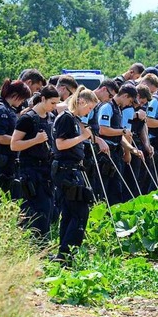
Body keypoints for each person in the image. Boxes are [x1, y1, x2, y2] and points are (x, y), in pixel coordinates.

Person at [51, 86, 99, 262]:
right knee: (80, 212)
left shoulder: (74, 119)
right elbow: (61, 144)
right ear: (81, 102)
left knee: (71, 213)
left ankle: (64, 254)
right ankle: (67, 253)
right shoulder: (66, 119)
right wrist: (82, 137)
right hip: (66, 171)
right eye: (89, 108)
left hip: (71, 170)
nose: (89, 112)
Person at [10, 85, 59, 241]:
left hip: (47, 170)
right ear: (43, 99)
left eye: (56, 103)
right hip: (30, 170)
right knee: (36, 209)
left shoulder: (50, 117)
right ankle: (34, 245)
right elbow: (14, 144)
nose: (54, 107)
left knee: (49, 210)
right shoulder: (27, 119)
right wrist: (35, 140)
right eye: (52, 103)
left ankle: (42, 244)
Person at [0, 79, 31, 209]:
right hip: (2, 160)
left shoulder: (8, 109)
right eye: (22, 99)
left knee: (10, 195)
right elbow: (0, 138)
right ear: (16, 95)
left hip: (9, 160)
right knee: (0, 195)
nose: (22, 102)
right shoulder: (1, 111)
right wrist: (19, 142)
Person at [95, 84, 142, 205]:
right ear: (125, 96)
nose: (129, 104)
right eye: (130, 101)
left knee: (116, 190)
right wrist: (123, 131)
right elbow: (103, 129)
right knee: (104, 190)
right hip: (105, 155)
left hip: (115, 153)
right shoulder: (107, 107)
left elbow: (119, 136)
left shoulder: (118, 110)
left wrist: (132, 150)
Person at [122, 84, 152, 201]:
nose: (142, 105)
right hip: (128, 146)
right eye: (142, 102)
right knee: (130, 181)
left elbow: (143, 126)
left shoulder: (141, 110)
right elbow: (126, 132)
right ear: (137, 96)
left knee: (138, 179)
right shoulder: (128, 109)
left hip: (136, 146)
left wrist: (147, 145)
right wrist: (128, 152)